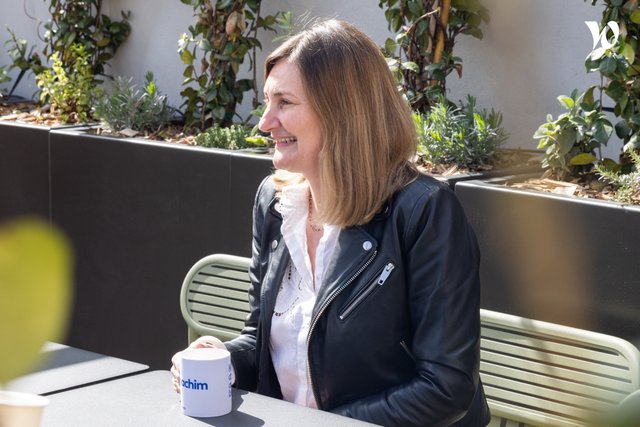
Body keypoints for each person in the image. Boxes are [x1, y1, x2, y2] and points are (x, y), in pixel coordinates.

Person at [172, 19, 490, 426]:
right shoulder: (275, 201)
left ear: (341, 111)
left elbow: (445, 387)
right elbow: (261, 340)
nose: (265, 122)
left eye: (284, 103)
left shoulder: (424, 211)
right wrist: (222, 358)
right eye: (267, 102)